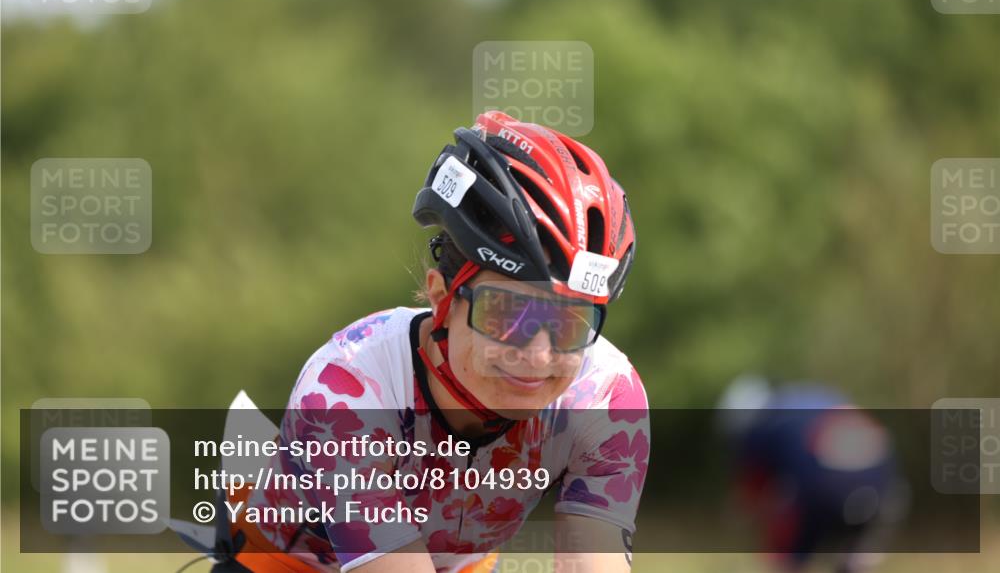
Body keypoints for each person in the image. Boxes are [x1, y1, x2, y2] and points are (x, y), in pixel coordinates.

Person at [215, 112, 649, 573]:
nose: (540, 354)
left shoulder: (607, 397)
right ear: (442, 297)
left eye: (571, 322)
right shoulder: (345, 389)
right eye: (507, 312)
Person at [718, 376, 906, 573]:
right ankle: (856, 560)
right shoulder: (818, 396)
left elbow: (753, 494)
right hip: (883, 485)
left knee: (786, 523)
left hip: (823, 486)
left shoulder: (763, 425)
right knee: (859, 547)